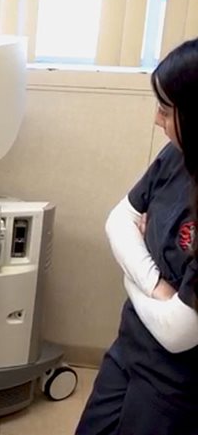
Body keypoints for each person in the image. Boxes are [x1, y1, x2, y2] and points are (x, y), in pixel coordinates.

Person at [75, 39, 198, 434]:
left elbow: (180, 333)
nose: (156, 120)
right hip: (132, 343)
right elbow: (118, 220)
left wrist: (131, 274)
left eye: (165, 110)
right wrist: (157, 286)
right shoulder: (176, 156)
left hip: (178, 379)